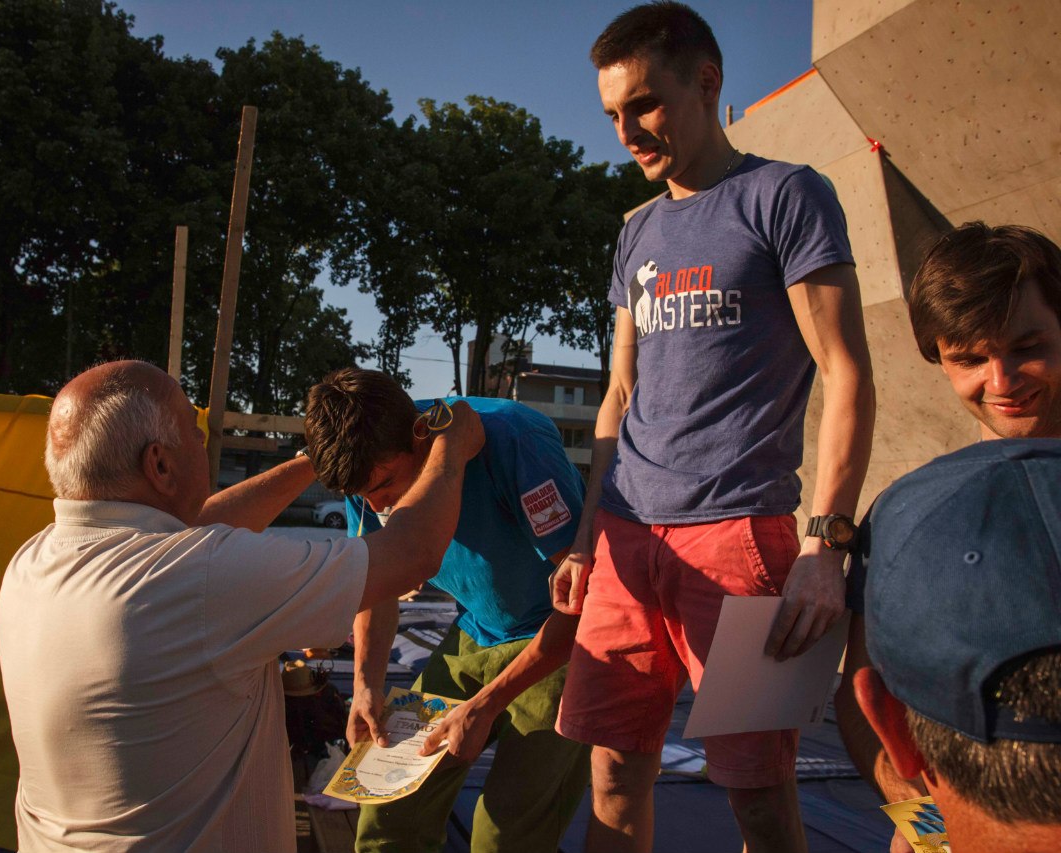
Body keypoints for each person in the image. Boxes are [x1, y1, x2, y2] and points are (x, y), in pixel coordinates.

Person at [549, 4, 876, 851]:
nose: (627, 131)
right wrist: (587, 539)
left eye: (645, 105)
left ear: (707, 82)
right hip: (626, 541)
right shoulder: (636, 233)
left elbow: (845, 372)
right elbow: (618, 396)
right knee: (614, 773)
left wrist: (825, 548)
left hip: (743, 540)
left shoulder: (786, 194)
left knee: (759, 796)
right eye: (613, 115)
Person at [0, 360, 484, 853]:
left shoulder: (30, 563)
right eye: (195, 430)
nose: (206, 445)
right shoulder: (200, 577)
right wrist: (453, 439)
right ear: (160, 464)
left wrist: (325, 455)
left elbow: (191, 528)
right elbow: (409, 554)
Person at [836, 223, 1061, 850]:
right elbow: (865, 695)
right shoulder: (910, 514)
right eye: (968, 359)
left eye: (1028, 346)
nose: (1002, 381)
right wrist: (935, 832)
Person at [302, 367, 590, 853]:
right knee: (385, 800)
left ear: (421, 437)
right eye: (363, 497)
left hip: (562, 640)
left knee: (506, 831)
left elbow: (586, 604)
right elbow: (378, 589)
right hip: (478, 629)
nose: (379, 504)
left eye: (387, 485)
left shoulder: (516, 441)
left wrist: (489, 703)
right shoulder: (368, 468)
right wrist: (366, 687)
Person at [850, 439, 1061, 853]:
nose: (1001, 381)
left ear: (897, 730)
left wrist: (934, 838)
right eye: (969, 365)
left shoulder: (912, 525)